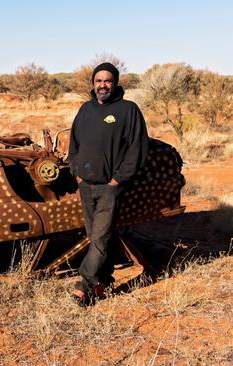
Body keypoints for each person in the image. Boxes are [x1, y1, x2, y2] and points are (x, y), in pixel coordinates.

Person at [67, 62, 149, 306]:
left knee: (100, 236)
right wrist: (77, 172)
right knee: (96, 235)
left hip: (109, 187)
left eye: (107, 80)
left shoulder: (128, 110)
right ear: (93, 83)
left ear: (115, 83)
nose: (102, 85)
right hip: (86, 184)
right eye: (98, 80)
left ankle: (85, 284)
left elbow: (137, 148)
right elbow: (74, 144)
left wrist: (117, 180)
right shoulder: (85, 109)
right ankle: (103, 281)